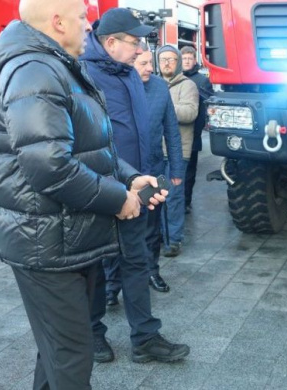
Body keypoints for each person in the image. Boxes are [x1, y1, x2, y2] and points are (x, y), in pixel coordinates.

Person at [0, 0, 167, 388]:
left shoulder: (56, 67)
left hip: (63, 237)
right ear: (57, 22)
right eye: (83, 18)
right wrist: (118, 199)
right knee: (71, 356)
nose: (89, 28)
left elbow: (91, 148)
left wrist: (130, 178)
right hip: (45, 243)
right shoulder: (34, 71)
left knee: (59, 351)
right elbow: (50, 165)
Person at [81, 7, 189, 364]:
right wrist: (114, 185)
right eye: (135, 41)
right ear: (110, 42)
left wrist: (146, 178)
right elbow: (86, 140)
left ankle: (145, 338)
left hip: (137, 183)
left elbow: (147, 130)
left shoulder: (129, 74)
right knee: (96, 264)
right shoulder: (83, 74)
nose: (142, 49)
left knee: (137, 259)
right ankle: (93, 334)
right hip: (100, 187)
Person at [133, 44, 186, 293]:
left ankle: (152, 272)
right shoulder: (118, 86)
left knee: (152, 228)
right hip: (124, 170)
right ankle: (112, 285)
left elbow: (171, 131)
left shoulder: (158, 87)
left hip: (154, 168)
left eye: (149, 63)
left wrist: (176, 170)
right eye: (142, 63)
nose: (149, 68)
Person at [157, 45, 199, 257]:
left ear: (179, 62)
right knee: (156, 196)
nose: (167, 63)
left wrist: (162, 107)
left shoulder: (188, 85)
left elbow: (189, 113)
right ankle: (159, 236)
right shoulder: (153, 84)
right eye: (163, 59)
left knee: (173, 197)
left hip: (177, 154)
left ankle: (174, 240)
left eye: (172, 59)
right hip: (156, 151)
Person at [181, 46, 214, 215]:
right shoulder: (173, 77)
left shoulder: (202, 81)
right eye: (184, 58)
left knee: (189, 170)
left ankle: (186, 201)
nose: (186, 61)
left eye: (189, 58)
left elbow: (209, 102)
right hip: (174, 133)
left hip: (193, 132)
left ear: (194, 61)